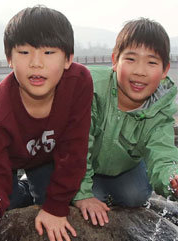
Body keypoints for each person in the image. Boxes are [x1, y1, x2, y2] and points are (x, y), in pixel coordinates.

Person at [0, 6, 93, 241]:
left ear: (68, 59)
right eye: (24, 52)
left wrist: (55, 208)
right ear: (9, 59)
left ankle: (28, 184)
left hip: (42, 149)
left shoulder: (78, 82)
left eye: (49, 52)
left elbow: (74, 150)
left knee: (53, 198)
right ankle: (16, 189)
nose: (36, 63)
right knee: (4, 204)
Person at [73, 18, 178, 226]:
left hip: (123, 166)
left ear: (165, 70)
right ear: (115, 60)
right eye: (131, 59)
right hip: (78, 160)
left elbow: (163, 153)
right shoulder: (91, 87)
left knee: (136, 196)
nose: (140, 71)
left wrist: (173, 179)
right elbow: (77, 145)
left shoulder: (160, 107)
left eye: (151, 62)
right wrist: (82, 193)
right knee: (90, 200)